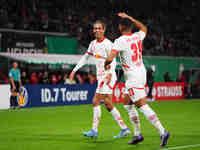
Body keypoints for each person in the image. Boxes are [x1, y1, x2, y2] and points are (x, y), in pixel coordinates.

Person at [104, 12, 170, 147]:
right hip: (140, 72)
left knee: (142, 105)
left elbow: (110, 58)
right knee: (127, 102)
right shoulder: (137, 36)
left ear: (120, 27)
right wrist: (132, 18)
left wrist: (105, 65)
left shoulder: (120, 40)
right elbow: (144, 28)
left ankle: (163, 131)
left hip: (133, 76)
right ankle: (137, 134)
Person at [69, 20, 130, 138]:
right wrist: (74, 70)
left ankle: (94, 131)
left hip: (108, 77)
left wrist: (109, 73)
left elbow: (113, 61)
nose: (96, 30)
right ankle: (124, 128)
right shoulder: (93, 44)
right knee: (108, 103)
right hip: (102, 76)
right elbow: (85, 58)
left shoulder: (108, 44)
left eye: (99, 28)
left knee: (95, 101)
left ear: (104, 30)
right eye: (95, 28)